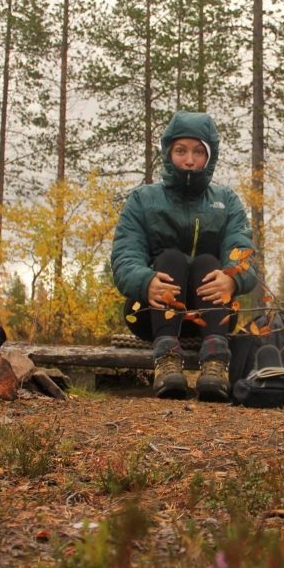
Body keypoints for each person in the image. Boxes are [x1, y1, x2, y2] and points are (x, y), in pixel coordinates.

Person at [110, 111, 257, 401]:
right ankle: (166, 362)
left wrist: (233, 280)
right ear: (168, 153)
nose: (189, 160)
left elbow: (244, 255)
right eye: (180, 151)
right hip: (151, 314)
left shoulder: (226, 201)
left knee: (208, 263)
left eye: (198, 152)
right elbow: (124, 256)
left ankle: (215, 363)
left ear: (209, 157)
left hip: (211, 316)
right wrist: (145, 280)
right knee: (171, 259)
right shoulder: (143, 199)